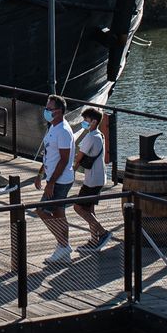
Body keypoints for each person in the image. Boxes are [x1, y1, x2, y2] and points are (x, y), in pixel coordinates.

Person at [38, 94, 76, 264]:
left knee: (42, 210)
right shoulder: (52, 126)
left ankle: (63, 245)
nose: (46, 111)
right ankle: (63, 250)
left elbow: (64, 159)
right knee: (59, 214)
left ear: (59, 111)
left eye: (49, 109)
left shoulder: (63, 131)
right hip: (52, 177)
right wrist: (40, 174)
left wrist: (51, 182)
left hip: (60, 180)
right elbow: (48, 153)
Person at [72, 107, 111, 249]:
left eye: (86, 120)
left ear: (94, 121)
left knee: (78, 207)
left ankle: (103, 233)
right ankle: (94, 240)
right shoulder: (100, 135)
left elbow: (80, 156)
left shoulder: (90, 137)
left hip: (92, 180)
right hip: (100, 177)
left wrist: (72, 171)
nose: (84, 122)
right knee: (89, 209)